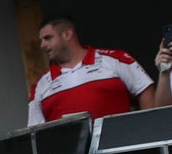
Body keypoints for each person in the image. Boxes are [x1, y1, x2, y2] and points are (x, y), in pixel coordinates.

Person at [25, 15, 155, 126]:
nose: (42, 45)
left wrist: (146, 132)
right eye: (41, 40)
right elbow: (35, 131)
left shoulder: (115, 59)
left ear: (67, 34)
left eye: (48, 38)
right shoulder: (40, 85)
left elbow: (145, 89)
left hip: (119, 150)